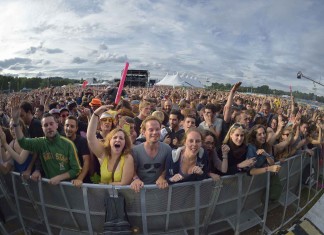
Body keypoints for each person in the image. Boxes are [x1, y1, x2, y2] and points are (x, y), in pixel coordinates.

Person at [12, 106, 82, 185]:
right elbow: (23, 143)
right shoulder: (41, 142)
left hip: (68, 188)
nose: (49, 127)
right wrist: (16, 122)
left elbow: (76, 170)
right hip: (50, 188)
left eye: (51, 124)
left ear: (57, 125)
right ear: (42, 128)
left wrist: (59, 177)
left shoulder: (68, 144)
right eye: (45, 125)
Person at [87, 105, 134, 185]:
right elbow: (90, 137)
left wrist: (104, 185)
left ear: (124, 143)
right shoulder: (103, 154)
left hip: (121, 195)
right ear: (109, 141)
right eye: (115, 137)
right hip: (103, 196)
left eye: (121, 138)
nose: (118, 140)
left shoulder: (127, 158)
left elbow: (124, 183)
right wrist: (95, 114)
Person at [131, 116, 171, 193]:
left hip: (160, 190)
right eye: (151, 130)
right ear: (143, 132)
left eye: (157, 129)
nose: (155, 132)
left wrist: (162, 177)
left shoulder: (167, 149)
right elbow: (132, 169)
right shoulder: (135, 151)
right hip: (140, 191)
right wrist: (136, 179)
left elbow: (168, 167)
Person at [64, 116, 90, 187]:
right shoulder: (61, 140)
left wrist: (79, 179)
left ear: (76, 129)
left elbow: (86, 161)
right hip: (65, 181)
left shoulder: (82, 141)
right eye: (67, 125)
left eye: (72, 126)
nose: (69, 128)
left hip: (81, 184)